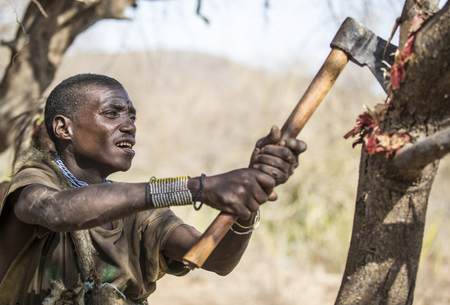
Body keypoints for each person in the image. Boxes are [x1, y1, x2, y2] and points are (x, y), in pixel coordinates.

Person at [0, 74, 306, 304]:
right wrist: (195, 188)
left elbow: (214, 259)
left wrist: (248, 199)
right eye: (112, 113)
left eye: (132, 116)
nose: (130, 125)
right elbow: (57, 210)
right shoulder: (34, 182)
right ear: (63, 128)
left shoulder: (139, 215)